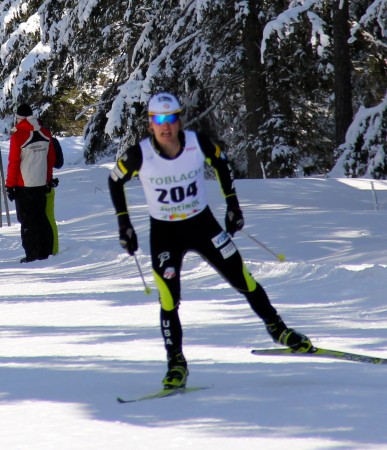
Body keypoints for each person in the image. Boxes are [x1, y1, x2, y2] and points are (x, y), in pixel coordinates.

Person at [108, 92, 312, 389]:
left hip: (202, 225)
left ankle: (279, 330)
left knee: (243, 278)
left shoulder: (196, 143)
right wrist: (124, 225)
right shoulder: (139, 154)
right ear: (150, 124)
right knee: (169, 300)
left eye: (171, 118)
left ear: (179, 119)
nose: (166, 126)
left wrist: (232, 204)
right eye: (159, 120)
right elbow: (114, 180)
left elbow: (221, 163)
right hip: (165, 233)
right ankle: (176, 362)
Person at [6, 104, 56, 263]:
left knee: (27, 221)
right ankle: (45, 251)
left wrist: (9, 186)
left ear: (19, 117)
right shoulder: (45, 133)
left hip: (23, 185)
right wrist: (48, 179)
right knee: (41, 217)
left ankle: (32, 254)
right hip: (41, 183)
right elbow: (50, 160)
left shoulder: (18, 135)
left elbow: (13, 162)